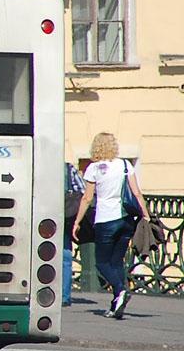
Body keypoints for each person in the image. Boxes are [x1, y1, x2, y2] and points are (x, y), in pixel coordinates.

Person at [72, 132, 149, 319]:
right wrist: (146, 215)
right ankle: (116, 304)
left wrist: (77, 221)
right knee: (116, 261)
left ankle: (120, 290)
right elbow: (137, 193)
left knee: (102, 262)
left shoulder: (94, 169)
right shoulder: (125, 165)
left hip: (106, 220)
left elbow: (87, 198)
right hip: (126, 220)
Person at [63, 162, 85, 305]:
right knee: (65, 257)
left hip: (39, 215)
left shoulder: (35, 163)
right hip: (64, 215)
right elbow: (81, 190)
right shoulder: (67, 168)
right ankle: (64, 296)